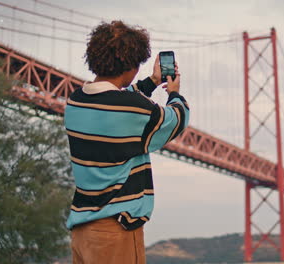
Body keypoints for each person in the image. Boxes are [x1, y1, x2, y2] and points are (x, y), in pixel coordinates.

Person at [64, 20, 190, 263]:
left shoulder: (75, 101)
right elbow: (177, 119)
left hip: (82, 232)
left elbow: (118, 102)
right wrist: (174, 93)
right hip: (115, 230)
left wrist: (152, 82)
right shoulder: (133, 109)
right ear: (131, 66)